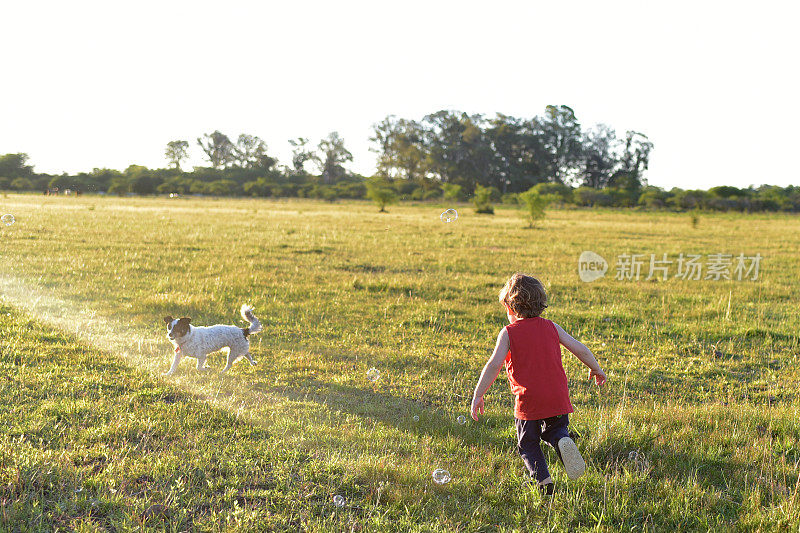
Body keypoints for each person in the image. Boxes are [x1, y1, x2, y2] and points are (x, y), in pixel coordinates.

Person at [470, 273, 607, 495]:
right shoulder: (552, 327)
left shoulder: (508, 333)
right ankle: (562, 439)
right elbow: (579, 348)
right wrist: (596, 368)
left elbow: (494, 364)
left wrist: (478, 394)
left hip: (529, 400)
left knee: (528, 444)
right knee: (556, 429)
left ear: (511, 309)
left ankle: (543, 481)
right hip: (557, 396)